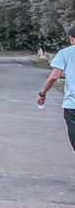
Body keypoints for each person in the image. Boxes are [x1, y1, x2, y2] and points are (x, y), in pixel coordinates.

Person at [37, 23, 75, 153]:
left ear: (71, 38)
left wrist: (42, 94)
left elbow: (53, 77)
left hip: (72, 106)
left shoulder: (65, 54)